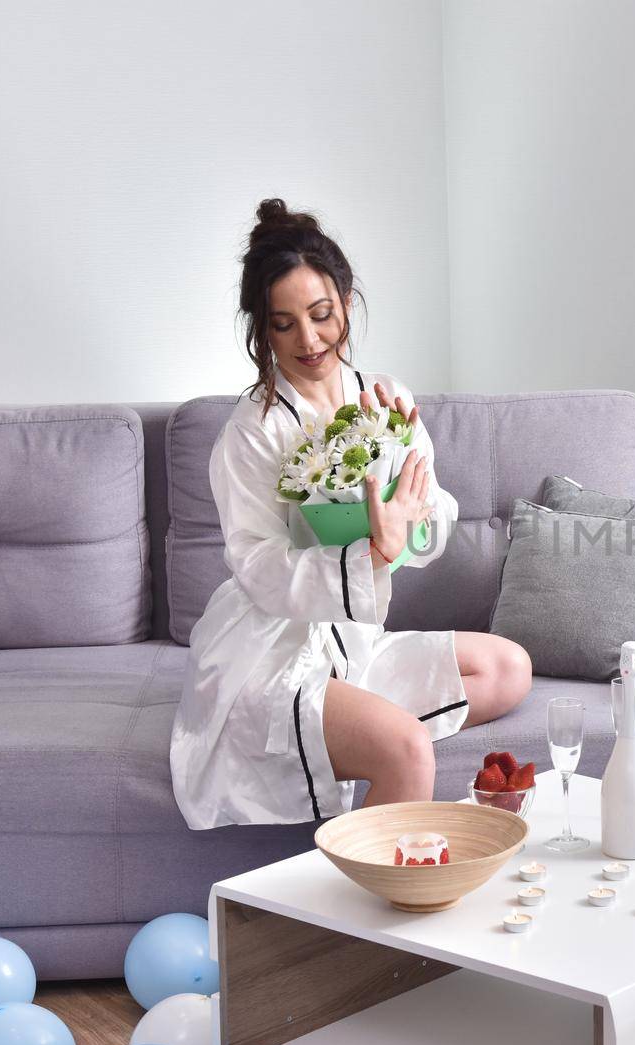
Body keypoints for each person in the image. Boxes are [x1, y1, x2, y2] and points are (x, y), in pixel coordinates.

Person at [170, 198, 531, 830]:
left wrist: (406, 526)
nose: (308, 340)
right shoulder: (250, 432)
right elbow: (257, 565)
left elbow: (431, 509)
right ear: (261, 329)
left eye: (321, 315)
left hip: (353, 646)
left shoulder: (385, 400)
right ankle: (357, 923)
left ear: (345, 299)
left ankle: (355, 726)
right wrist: (370, 556)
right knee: (407, 749)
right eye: (284, 325)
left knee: (509, 668)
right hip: (272, 652)